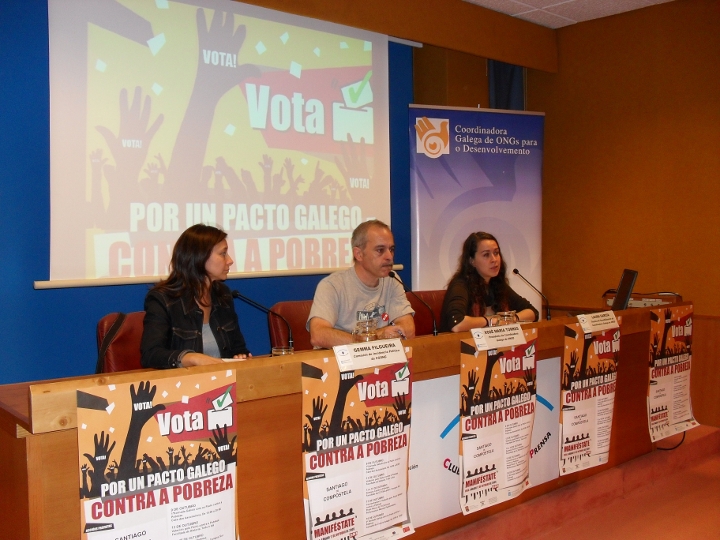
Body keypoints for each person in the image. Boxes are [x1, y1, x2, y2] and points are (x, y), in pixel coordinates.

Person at [141, 224, 251, 368]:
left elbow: (239, 348)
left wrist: (240, 356)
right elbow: (151, 354)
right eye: (223, 253)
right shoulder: (163, 299)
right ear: (200, 257)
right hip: (184, 381)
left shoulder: (222, 295)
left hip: (223, 380)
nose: (230, 260)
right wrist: (190, 358)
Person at [308, 220, 415, 348]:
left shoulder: (392, 280)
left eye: (391, 249)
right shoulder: (332, 285)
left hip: (379, 357)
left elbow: (408, 329)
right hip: (340, 359)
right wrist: (378, 337)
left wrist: (370, 339)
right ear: (359, 254)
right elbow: (318, 335)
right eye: (380, 250)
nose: (389, 257)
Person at [440, 232, 538, 332]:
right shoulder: (460, 285)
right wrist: (491, 320)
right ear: (472, 261)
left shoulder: (497, 283)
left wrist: (511, 319)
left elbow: (533, 312)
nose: (494, 259)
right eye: (486, 255)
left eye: (496, 253)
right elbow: (457, 324)